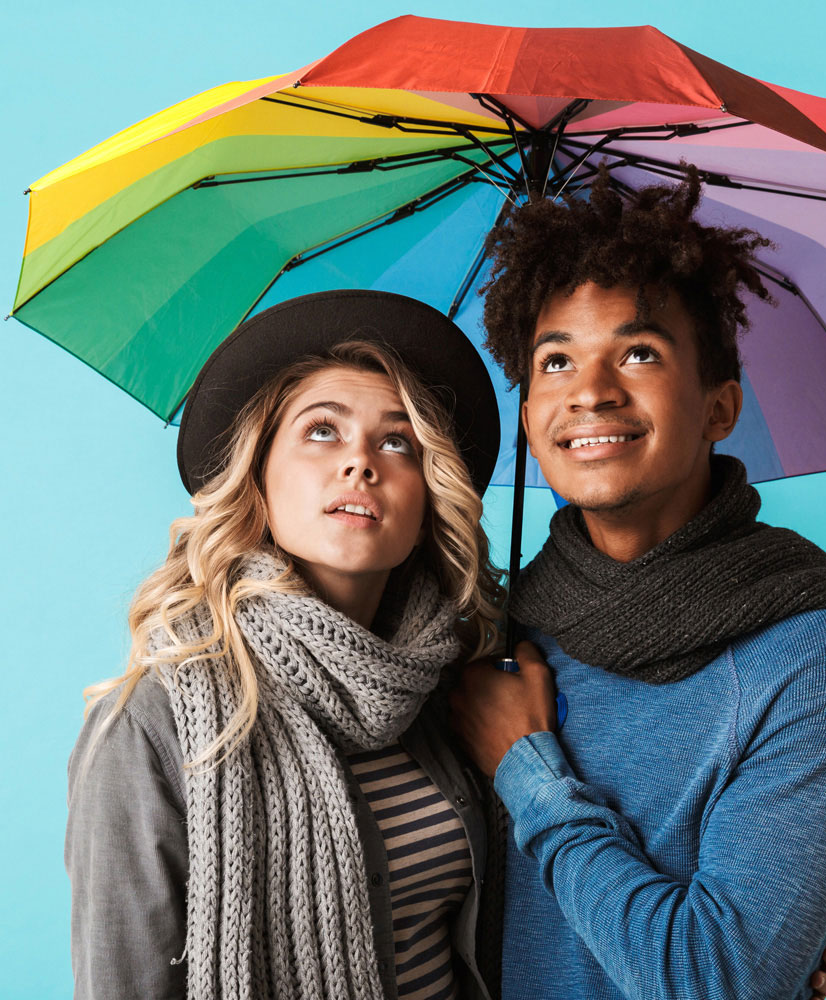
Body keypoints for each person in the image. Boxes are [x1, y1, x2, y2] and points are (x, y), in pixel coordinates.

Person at [449, 169, 826, 1000]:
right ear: (528, 416)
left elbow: (712, 983)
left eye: (638, 352)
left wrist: (528, 770)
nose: (590, 392)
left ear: (718, 407)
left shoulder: (815, 645)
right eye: (555, 361)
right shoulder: (486, 628)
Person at [65, 290, 509, 1000]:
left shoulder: (449, 687)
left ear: (427, 499)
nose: (361, 462)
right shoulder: (147, 725)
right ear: (258, 477)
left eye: (397, 442)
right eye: (323, 432)